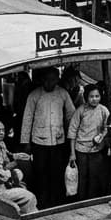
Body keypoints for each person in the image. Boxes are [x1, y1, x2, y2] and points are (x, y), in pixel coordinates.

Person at [20, 67, 76, 206]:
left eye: (52, 80)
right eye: (46, 80)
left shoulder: (63, 94)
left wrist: (72, 138)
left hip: (58, 141)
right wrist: (25, 142)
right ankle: (42, 202)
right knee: (41, 173)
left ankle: (57, 202)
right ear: (42, 80)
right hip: (39, 142)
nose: (49, 83)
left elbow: (71, 116)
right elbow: (27, 119)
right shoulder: (34, 95)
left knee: (56, 173)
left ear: (57, 80)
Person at [0, 118, 38, 214]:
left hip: (3, 183)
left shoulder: (0, 142)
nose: (2, 133)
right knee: (30, 197)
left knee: (22, 182)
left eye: (3, 130)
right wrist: (14, 170)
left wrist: (17, 158)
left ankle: (26, 215)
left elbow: (5, 162)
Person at [68, 84, 110, 200]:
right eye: (91, 96)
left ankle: (92, 201)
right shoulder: (80, 111)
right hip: (81, 150)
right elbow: (72, 132)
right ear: (86, 97)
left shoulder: (103, 111)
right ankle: (81, 201)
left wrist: (101, 136)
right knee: (82, 177)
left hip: (96, 150)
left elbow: (108, 127)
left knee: (95, 177)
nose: (94, 99)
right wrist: (72, 153)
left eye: (97, 96)